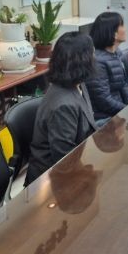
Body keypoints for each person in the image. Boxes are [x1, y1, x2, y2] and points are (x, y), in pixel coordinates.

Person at [25, 32, 96, 186]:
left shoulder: (78, 84)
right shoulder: (63, 104)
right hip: (50, 181)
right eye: (92, 53)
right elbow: (65, 159)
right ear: (83, 60)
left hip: (76, 163)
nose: (94, 57)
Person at [86, 12, 128, 122]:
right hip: (104, 118)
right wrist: (127, 111)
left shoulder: (117, 53)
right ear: (113, 33)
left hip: (118, 111)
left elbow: (123, 85)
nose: (125, 29)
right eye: (121, 25)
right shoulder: (97, 62)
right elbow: (103, 100)